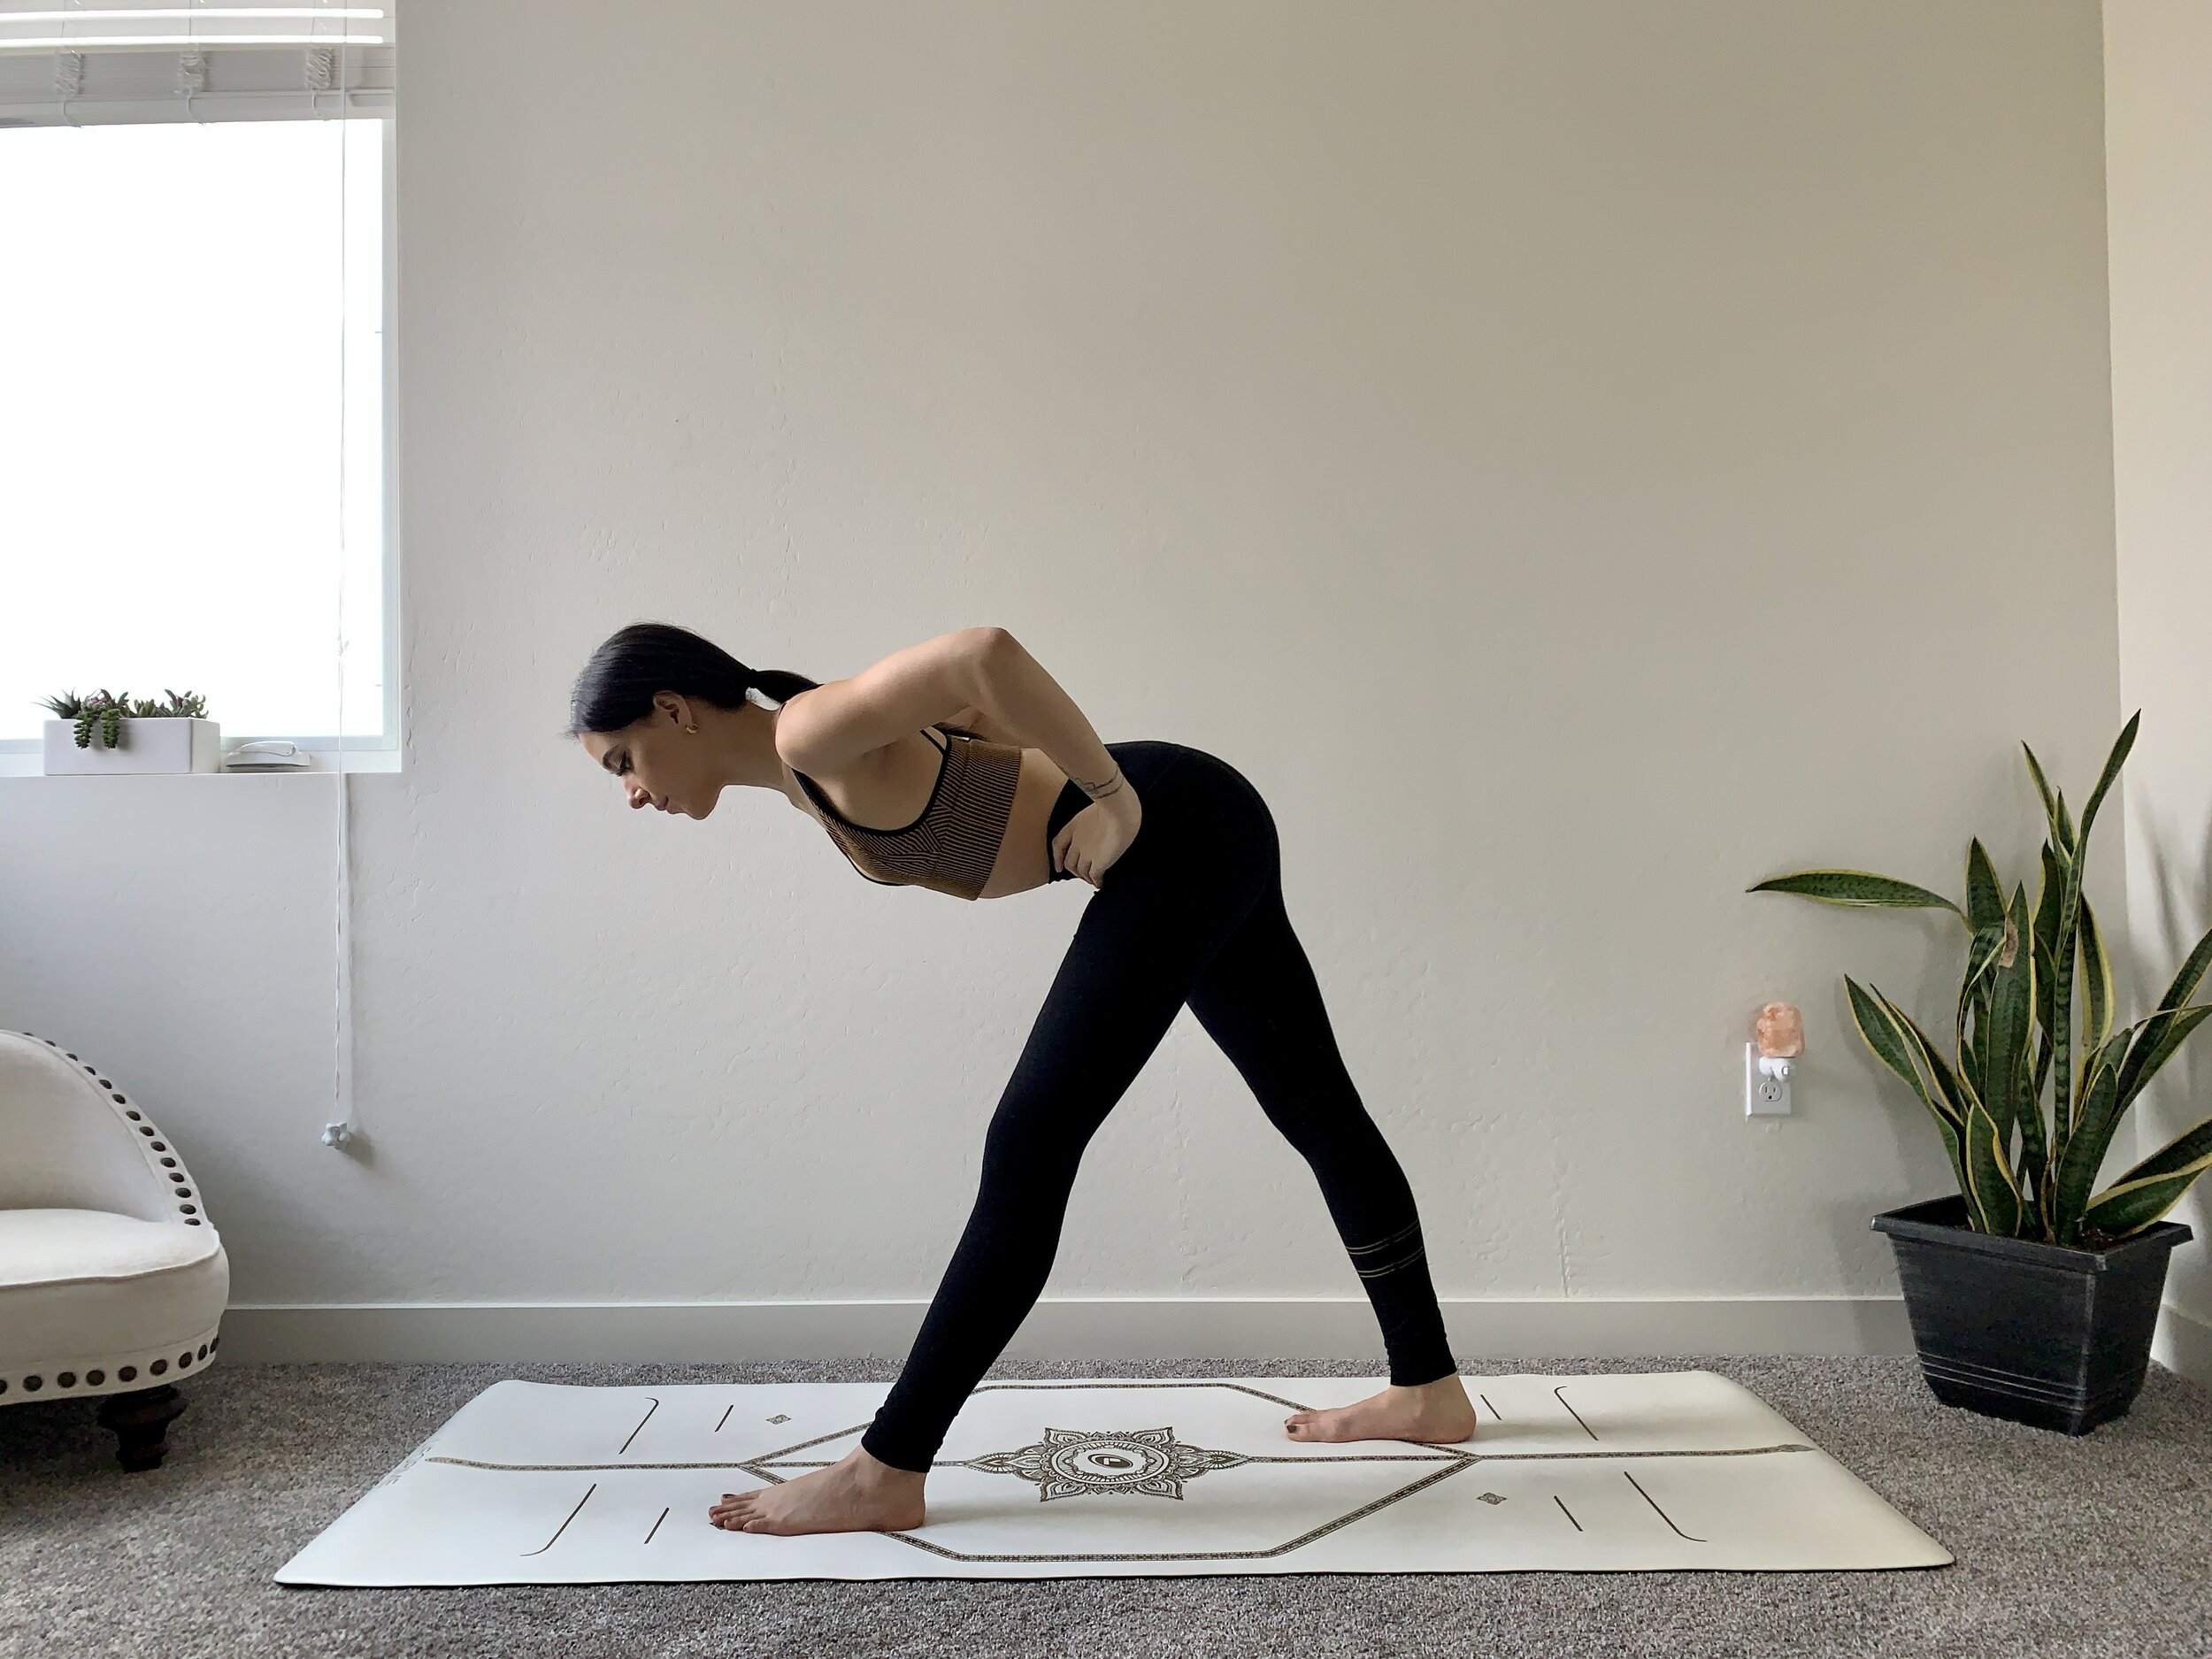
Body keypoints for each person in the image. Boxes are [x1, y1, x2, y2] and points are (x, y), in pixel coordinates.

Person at [566, 621, 1473, 1537]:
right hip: (1198, 820)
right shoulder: (809, 767)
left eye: (622, 763)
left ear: (674, 710)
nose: (634, 793)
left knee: (1031, 1141)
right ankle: (1428, 1390)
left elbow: (983, 653)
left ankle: (887, 1467)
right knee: (1315, 1110)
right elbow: (964, 707)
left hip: (1179, 824)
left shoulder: (808, 732)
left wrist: (1109, 797)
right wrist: (1040, 781)